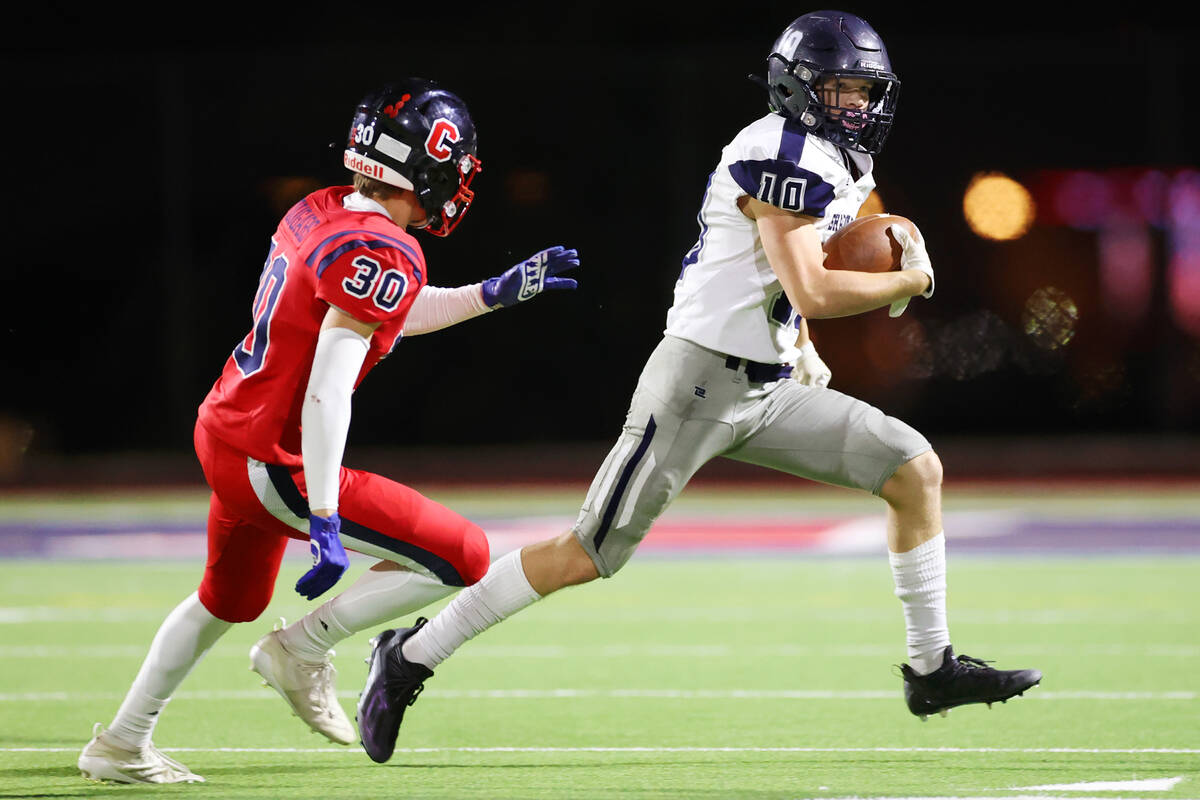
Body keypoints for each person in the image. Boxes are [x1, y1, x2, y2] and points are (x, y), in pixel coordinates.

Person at [354, 12, 1043, 764]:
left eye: (865, 91)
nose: (860, 107)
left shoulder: (834, 159)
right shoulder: (776, 151)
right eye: (844, 91)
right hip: (695, 385)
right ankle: (411, 655)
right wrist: (909, 279)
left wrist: (801, 348)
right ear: (800, 88)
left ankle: (931, 668)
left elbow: (779, 281)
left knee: (913, 468)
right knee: (588, 551)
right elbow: (808, 285)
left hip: (766, 385)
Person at [76, 78, 579, 784]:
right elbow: (326, 390)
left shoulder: (321, 210)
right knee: (463, 555)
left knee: (229, 600)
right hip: (273, 457)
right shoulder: (382, 253)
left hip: (226, 429)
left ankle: (122, 743)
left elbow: (384, 314)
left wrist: (492, 294)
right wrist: (323, 515)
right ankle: (303, 649)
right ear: (429, 166)